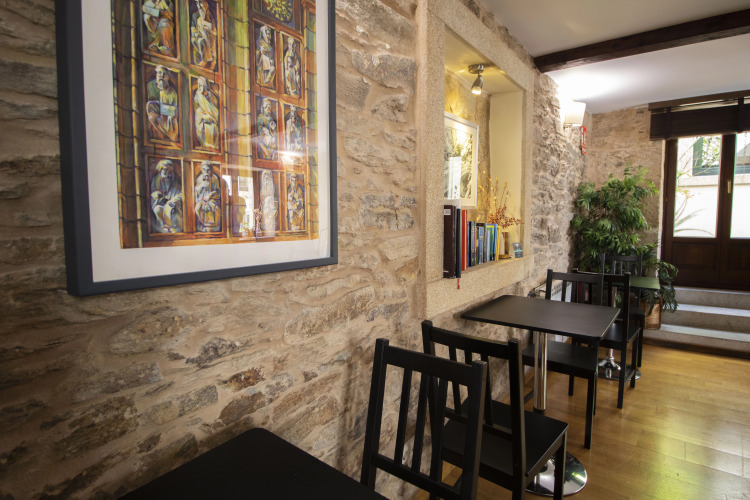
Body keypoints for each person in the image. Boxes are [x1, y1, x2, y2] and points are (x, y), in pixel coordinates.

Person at [146, 66, 179, 143]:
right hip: (156, 115)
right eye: (160, 73)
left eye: (164, 74)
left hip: (168, 118)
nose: (162, 76)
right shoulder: (151, 86)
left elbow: (174, 110)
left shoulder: (172, 92)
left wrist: (164, 109)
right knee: (151, 113)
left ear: (167, 77)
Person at [150, 159, 183, 233]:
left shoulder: (176, 179)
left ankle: (173, 227)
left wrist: (173, 200)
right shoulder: (156, 179)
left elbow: (181, 193)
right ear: (160, 169)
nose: (166, 172)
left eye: (168, 170)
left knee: (171, 209)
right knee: (157, 209)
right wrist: (156, 195)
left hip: (173, 203)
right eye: (164, 169)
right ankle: (162, 228)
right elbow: (152, 193)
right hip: (160, 203)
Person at [194, 161, 222, 232]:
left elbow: (217, 191)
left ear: (211, 170)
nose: (206, 172)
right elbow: (197, 190)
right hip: (202, 199)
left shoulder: (214, 178)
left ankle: (215, 226)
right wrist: (201, 186)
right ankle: (203, 224)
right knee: (197, 208)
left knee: (216, 209)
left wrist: (209, 195)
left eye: (208, 170)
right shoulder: (200, 178)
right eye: (204, 170)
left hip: (212, 199)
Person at [194, 76, 220, 149]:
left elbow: (215, 111)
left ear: (205, 85)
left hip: (212, 122)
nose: (199, 87)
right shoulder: (197, 96)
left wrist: (211, 117)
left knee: (213, 128)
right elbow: (197, 109)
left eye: (201, 85)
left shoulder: (212, 97)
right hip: (202, 121)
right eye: (198, 85)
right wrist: (203, 116)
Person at [190, 0, 217, 69]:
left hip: (211, 41)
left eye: (202, 5)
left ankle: (209, 60)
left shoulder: (210, 17)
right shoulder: (196, 17)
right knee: (201, 41)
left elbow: (215, 33)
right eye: (199, 5)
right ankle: (205, 60)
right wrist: (199, 33)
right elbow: (194, 32)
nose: (200, 6)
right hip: (200, 40)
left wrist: (209, 31)